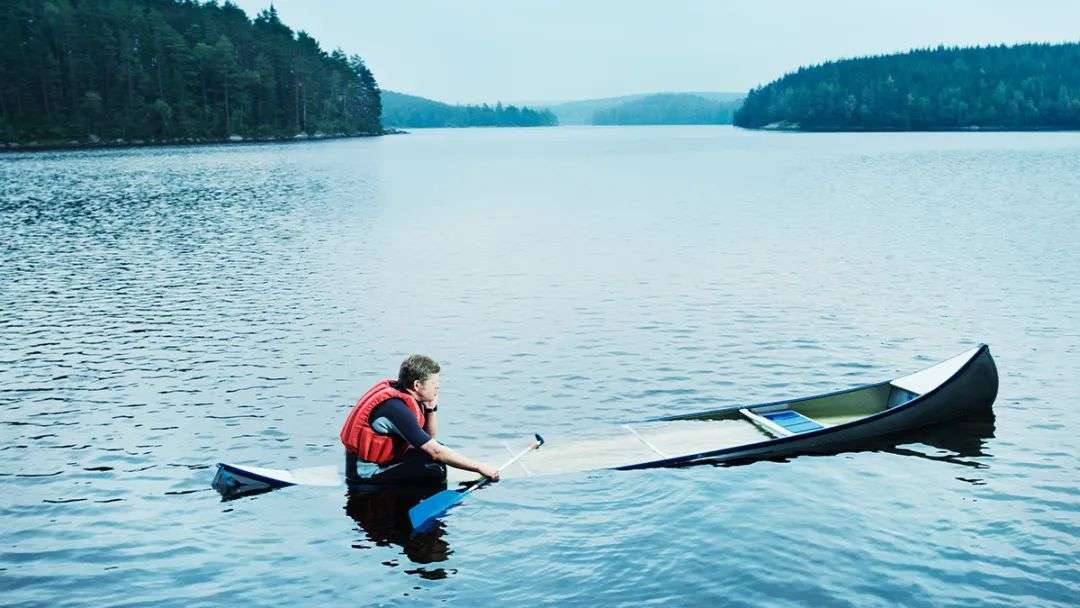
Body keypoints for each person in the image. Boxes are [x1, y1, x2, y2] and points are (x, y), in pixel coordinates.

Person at [340, 354, 500, 485]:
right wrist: (479, 467)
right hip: (365, 473)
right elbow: (435, 452)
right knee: (435, 468)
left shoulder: (404, 395)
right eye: (434, 383)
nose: (438, 387)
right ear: (417, 385)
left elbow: (430, 440)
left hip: (379, 463)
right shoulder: (396, 409)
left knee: (437, 452)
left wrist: (431, 409)